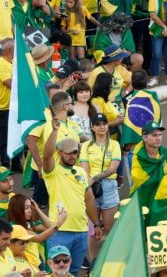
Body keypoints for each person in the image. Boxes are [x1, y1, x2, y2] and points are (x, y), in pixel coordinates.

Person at [42, 99, 99, 277]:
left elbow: (88, 198)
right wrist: (55, 131)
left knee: (72, 273)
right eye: (68, 152)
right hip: (59, 232)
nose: (73, 155)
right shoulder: (52, 171)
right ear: (60, 153)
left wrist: (96, 224)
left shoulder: (81, 173)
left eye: (75, 152)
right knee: (55, 272)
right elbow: (46, 155)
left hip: (81, 232)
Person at [79, 115, 121, 259]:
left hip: (108, 186)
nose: (102, 126)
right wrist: (89, 183)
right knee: (93, 230)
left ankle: (110, 259)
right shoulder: (86, 146)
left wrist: (93, 179)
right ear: (92, 127)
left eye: (104, 123)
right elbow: (84, 168)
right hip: (91, 189)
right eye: (98, 124)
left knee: (110, 228)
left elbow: (113, 169)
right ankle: (93, 262)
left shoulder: (114, 145)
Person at [130, 122, 167, 204]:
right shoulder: (138, 157)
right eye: (154, 135)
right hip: (142, 199)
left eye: (160, 135)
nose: (158, 138)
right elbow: (138, 179)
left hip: (162, 199)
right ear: (144, 138)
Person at [0, 38, 15, 170]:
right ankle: (5, 166)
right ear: (11, 50)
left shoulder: (12, 62)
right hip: (3, 108)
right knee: (5, 137)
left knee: (17, 137)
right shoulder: (0, 65)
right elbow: (10, 84)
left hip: (14, 106)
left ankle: (16, 165)